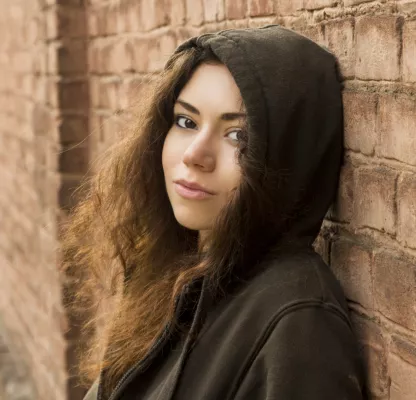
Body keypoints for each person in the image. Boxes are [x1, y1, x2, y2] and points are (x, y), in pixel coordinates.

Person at [62, 25, 368, 400]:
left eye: (238, 136)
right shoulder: (177, 269)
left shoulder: (299, 324)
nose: (195, 154)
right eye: (186, 122)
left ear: (287, 161)